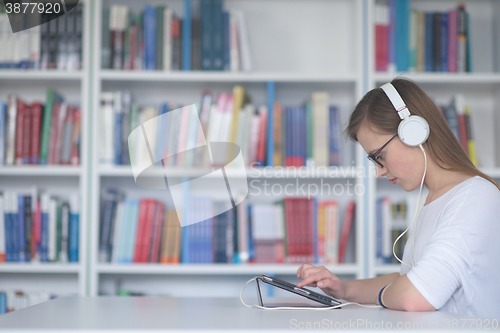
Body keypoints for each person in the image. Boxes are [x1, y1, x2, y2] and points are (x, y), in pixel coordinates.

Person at [296, 78, 500, 318]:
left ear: (414, 132)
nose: (379, 171)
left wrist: (389, 294)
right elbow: (407, 280)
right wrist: (344, 289)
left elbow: (413, 295)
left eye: (379, 156)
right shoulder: (436, 198)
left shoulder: (475, 197)